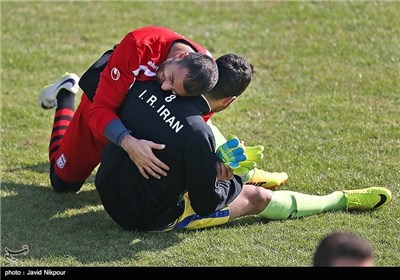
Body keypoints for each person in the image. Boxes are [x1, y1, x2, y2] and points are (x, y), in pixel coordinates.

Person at [94, 54, 393, 231]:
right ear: (229, 100)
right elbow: (206, 203)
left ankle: (252, 175)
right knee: (255, 197)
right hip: (141, 217)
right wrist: (232, 180)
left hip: (107, 187)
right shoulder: (198, 134)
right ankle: (338, 200)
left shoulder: (148, 84)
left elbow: (163, 131)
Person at [39, 26, 287, 193]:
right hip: (102, 109)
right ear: (179, 58)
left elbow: (186, 128)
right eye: (167, 77)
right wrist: (128, 142)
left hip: (139, 127)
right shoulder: (138, 46)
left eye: (175, 91)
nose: (165, 86)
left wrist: (212, 166)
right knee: (63, 184)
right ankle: (65, 94)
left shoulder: (202, 77)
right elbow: (101, 109)